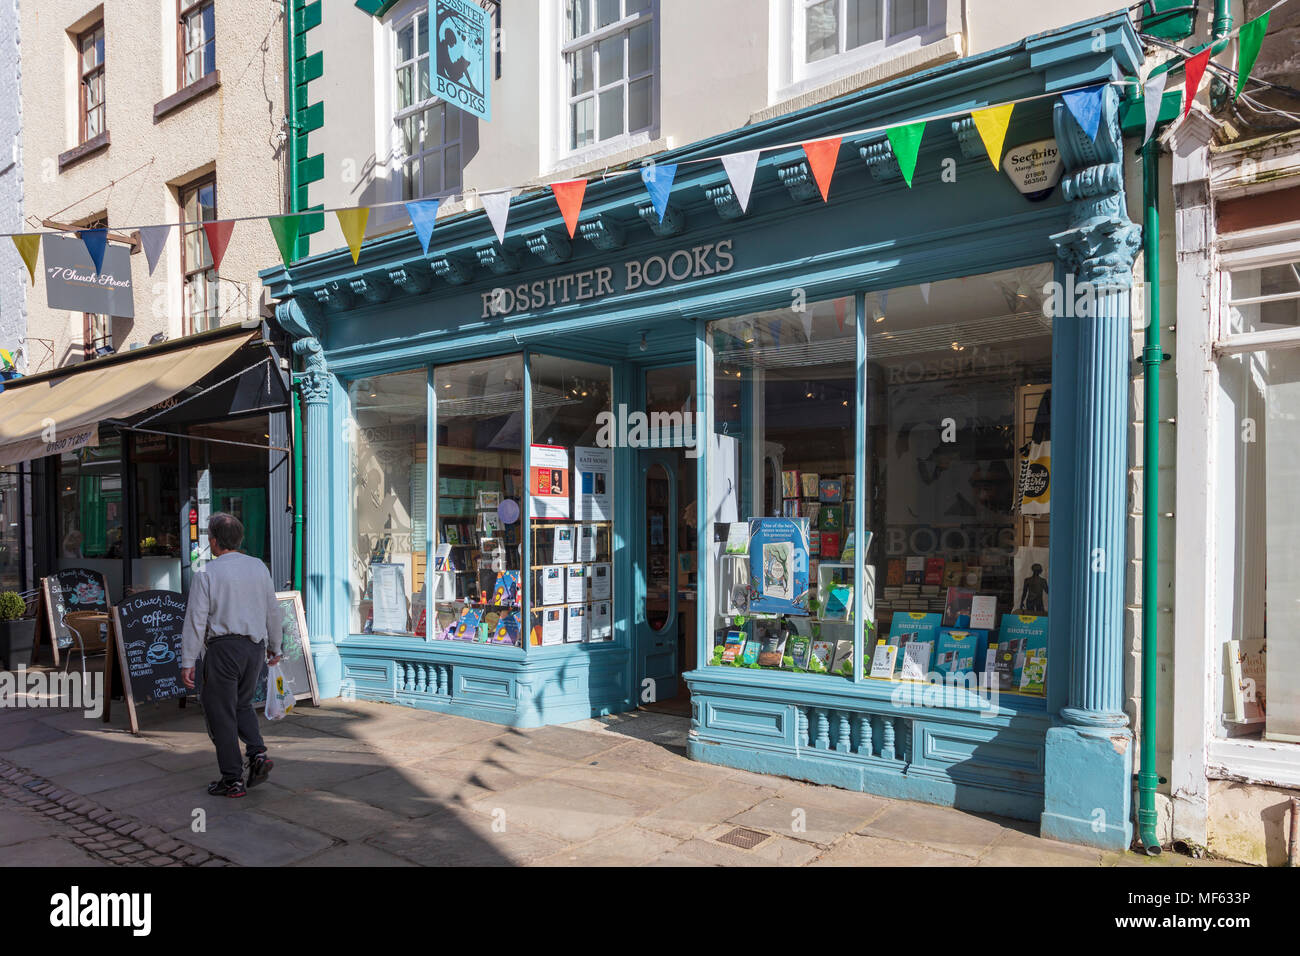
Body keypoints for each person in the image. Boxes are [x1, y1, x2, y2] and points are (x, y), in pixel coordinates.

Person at [180, 513, 283, 798]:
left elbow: (196, 620)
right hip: (254, 648)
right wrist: (276, 644)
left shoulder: (207, 574)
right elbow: (271, 609)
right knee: (242, 704)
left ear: (214, 541)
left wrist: (188, 661)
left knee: (221, 715)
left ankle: (232, 780)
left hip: (223, 650)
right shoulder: (258, 567)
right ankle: (258, 752)